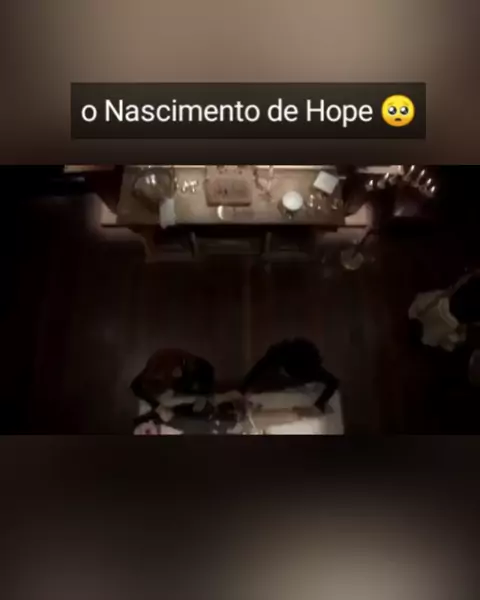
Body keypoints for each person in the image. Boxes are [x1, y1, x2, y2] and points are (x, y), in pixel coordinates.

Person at [240, 338, 339, 412]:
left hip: (300, 379)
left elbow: (333, 382)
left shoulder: (313, 370)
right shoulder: (277, 356)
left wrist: (320, 403)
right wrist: (244, 390)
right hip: (280, 370)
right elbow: (258, 369)